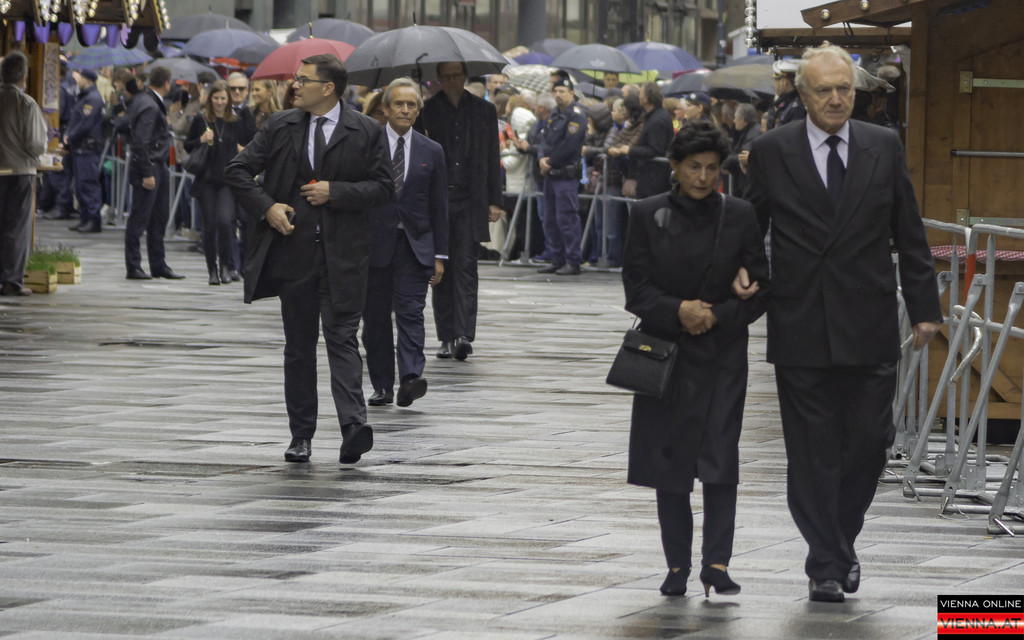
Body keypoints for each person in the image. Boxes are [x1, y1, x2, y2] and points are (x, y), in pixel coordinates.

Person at [739, 44, 942, 603]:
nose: (836, 99)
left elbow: (908, 229)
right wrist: (751, 280)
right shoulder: (773, 150)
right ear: (803, 96)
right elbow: (748, 227)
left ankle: (839, 541)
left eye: (845, 89)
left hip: (868, 320)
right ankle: (826, 563)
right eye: (825, 90)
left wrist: (924, 307)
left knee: (870, 445)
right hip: (801, 321)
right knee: (812, 451)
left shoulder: (883, 144)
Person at [623, 120, 769, 598]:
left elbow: (761, 287)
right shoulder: (648, 213)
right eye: (693, 167)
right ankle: (677, 565)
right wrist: (678, 311)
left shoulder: (740, 215)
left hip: (722, 354)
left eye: (711, 168)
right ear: (675, 166)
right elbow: (635, 288)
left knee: (720, 455)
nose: (703, 177)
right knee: (668, 460)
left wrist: (717, 315)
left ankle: (717, 562)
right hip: (666, 353)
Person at [225, 54, 392, 465]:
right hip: (294, 255)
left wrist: (337, 192)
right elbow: (238, 170)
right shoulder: (281, 125)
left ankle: (354, 427)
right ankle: (301, 435)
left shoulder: (365, 129)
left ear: (328, 88)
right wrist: (267, 207)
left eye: (304, 80)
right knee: (299, 348)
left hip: (344, 256)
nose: (295, 85)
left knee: (342, 338)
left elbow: (384, 187)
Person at [363, 77, 449, 408]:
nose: (405, 109)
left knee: (412, 312)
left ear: (418, 110)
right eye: (398, 103)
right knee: (375, 318)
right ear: (385, 108)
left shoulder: (432, 150)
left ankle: (411, 378)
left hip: (416, 246)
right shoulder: (368, 145)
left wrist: (440, 255)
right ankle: (382, 384)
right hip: (374, 244)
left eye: (411, 104)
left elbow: (439, 206)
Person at [416, 61, 502, 361]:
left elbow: (493, 154)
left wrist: (495, 200)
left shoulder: (484, 110)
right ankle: (446, 335)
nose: (452, 81)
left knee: (466, 266)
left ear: (465, 76)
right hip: (438, 199)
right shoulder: (427, 110)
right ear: (438, 79)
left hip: (470, 198)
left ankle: (464, 334)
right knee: (440, 266)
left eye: (457, 76)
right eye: (446, 76)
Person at [124, 65, 185, 281]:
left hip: (158, 165)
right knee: (140, 218)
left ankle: (158, 264)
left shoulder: (147, 100)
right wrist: (147, 172)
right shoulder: (149, 105)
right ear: (167, 83)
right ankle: (133, 265)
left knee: (159, 218)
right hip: (150, 166)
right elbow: (141, 142)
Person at [185, 79, 248, 285]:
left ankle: (225, 267)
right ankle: (212, 269)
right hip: (206, 180)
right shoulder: (201, 119)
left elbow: (243, 145)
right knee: (209, 225)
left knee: (225, 222)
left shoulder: (236, 121)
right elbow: (188, 146)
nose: (220, 102)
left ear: (228, 100)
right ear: (210, 99)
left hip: (227, 181)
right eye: (216, 98)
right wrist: (201, 139)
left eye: (223, 98)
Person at [0, 51, 48, 297]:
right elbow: (36, 144)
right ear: (23, 76)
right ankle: (11, 281)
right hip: (19, 171)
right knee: (17, 227)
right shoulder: (26, 103)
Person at [536, 77, 587, 276]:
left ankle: (572, 260)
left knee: (566, 219)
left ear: (571, 94)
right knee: (550, 219)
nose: (558, 95)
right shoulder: (554, 114)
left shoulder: (577, 115)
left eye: (562, 92)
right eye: (555, 91)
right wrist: (541, 157)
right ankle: (557, 258)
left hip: (565, 174)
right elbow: (544, 139)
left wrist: (549, 162)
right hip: (551, 175)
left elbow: (570, 145)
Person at [64, 68, 105, 233]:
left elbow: (85, 124)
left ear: (86, 80)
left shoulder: (93, 99)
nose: (77, 80)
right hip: (80, 148)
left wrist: (70, 136)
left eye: (80, 78)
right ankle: (85, 217)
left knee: (88, 184)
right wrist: (68, 135)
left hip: (88, 148)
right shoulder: (85, 97)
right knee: (80, 186)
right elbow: (76, 120)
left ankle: (93, 219)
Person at [624, 82, 673, 199]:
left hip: (653, 182)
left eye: (640, 94)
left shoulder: (658, 120)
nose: (638, 97)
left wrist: (630, 150)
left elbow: (655, 150)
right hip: (649, 178)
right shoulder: (654, 116)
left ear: (646, 98)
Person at [721, 102, 761, 197]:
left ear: (742, 119)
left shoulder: (753, 133)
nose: (734, 121)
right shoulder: (747, 131)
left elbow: (742, 155)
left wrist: (725, 161)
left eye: (735, 117)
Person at [765, 59, 806, 131]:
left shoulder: (797, 106)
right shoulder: (786, 102)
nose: (775, 84)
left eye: (777, 80)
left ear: (785, 82)